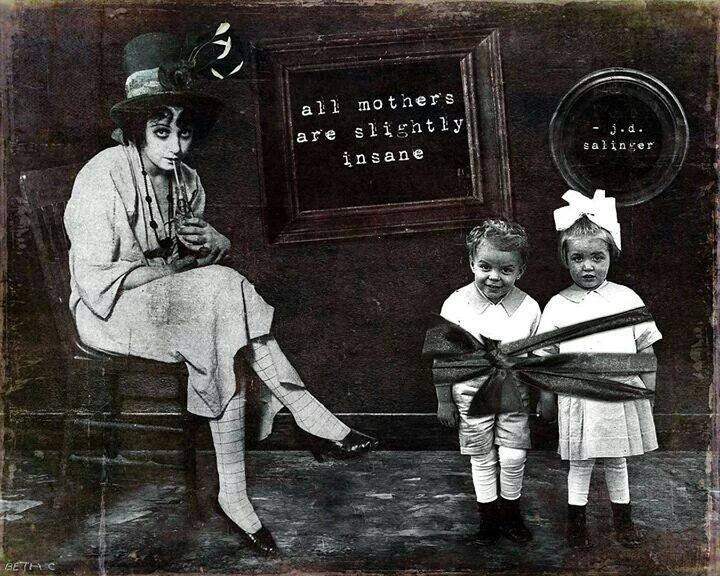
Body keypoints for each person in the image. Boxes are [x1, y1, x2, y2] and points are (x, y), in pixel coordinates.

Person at [63, 30, 377, 557]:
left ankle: (239, 491)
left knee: (217, 311)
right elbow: (100, 281)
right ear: (137, 130)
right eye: (161, 132)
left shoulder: (188, 181)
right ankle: (299, 412)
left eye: (185, 133)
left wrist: (215, 243)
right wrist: (193, 270)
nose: (175, 146)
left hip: (173, 310)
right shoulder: (104, 175)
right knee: (219, 298)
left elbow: (186, 271)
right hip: (108, 311)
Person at [536, 190, 661, 548]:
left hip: (621, 390)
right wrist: (546, 397)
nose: (588, 266)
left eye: (597, 257)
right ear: (566, 260)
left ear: (611, 256)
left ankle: (624, 521)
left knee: (616, 459)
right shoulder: (558, 305)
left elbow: (646, 350)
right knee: (582, 460)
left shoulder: (627, 298)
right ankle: (577, 523)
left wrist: (648, 392)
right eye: (578, 258)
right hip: (578, 395)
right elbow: (546, 356)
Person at [436, 219, 540, 544]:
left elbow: (537, 359)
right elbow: (442, 359)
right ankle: (488, 519)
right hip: (469, 394)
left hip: (513, 394)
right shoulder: (455, 305)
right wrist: (444, 400)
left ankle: (511, 514)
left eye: (506, 269)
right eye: (485, 266)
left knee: (512, 455)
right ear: (471, 263)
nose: (494, 277)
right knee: (481, 455)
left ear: (520, 270)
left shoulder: (529, 308)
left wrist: (543, 396)